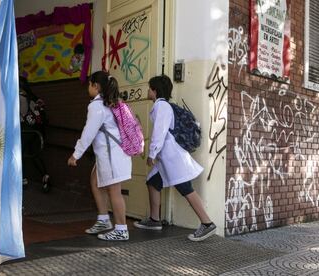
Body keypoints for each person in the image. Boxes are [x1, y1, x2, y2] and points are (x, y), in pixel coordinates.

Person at [133, 74, 216, 242]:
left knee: (185, 188)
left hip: (173, 157)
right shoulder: (162, 106)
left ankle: (207, 224)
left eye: (149, 88)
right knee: (152, 182)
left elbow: (159, 133)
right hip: (167, 158)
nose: (148, 90)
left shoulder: (161, 107)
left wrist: (151, 154)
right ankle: (155, 220)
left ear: (154, 91)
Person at [67, 71, 132, 241]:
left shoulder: (97, 106)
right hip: (111, 154)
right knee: (95, 182)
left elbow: (89, 133)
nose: (88, 87)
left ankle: (121, 229)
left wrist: (76, 155)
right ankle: (104, 219)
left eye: (89, 84)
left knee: (114, 191)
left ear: (96, 86)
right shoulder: (112, 102)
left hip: (111, 155)